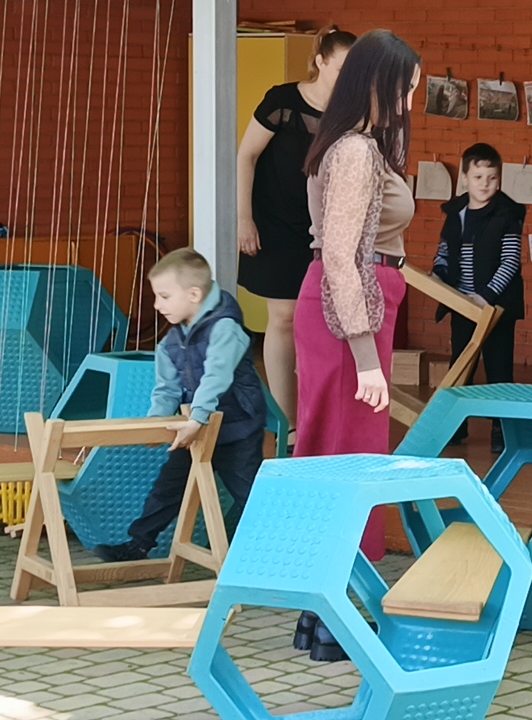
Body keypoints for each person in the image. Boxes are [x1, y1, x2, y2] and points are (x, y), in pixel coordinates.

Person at [291, 29, 420, 663]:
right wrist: (368, 359)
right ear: (378, 82)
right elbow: (342, 258)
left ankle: (321, 614)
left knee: (336, 456)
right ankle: (332, 616)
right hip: (349, 314)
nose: (412, 100)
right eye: (407, 87)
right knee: (348, 459)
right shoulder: (355, 151)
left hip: (356, 306)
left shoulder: (356, 144)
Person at [91, 249, 267, 563]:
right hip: (194, 431)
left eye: (165, 296)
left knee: (250, 493)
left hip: (236, 428)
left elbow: (217, 375)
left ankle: (277, 551)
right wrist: (155, 425)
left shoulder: (225, 328)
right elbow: (166, 390)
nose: (157, 305)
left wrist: (197, 419)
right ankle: (139, 545)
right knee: (167, 488)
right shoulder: (170, 343)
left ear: (194, 294)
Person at [236, 25, 356, 428]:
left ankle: (316, 416)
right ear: (320, 62)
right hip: (273, 221)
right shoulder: (283, 100)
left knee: (320, 321)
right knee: (284, 316)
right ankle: (286, 420)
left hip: (322, 227)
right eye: (341, 69)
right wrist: (243, 218)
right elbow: (246, 156)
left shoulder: (350, 116)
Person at [432, 143, 526, 453]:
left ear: (500, 179)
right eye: (478, 177)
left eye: (492, 177)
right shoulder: (455, 213)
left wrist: (487, 296)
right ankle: (456, 427)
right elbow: (445, 250)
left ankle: (502, 430)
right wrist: (438, 274)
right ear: (465, 178)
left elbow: (510, 262)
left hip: (495, 307)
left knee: (499, 368)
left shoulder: (508, 213)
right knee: (461, 366)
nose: (485, 184)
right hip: (462, 304)